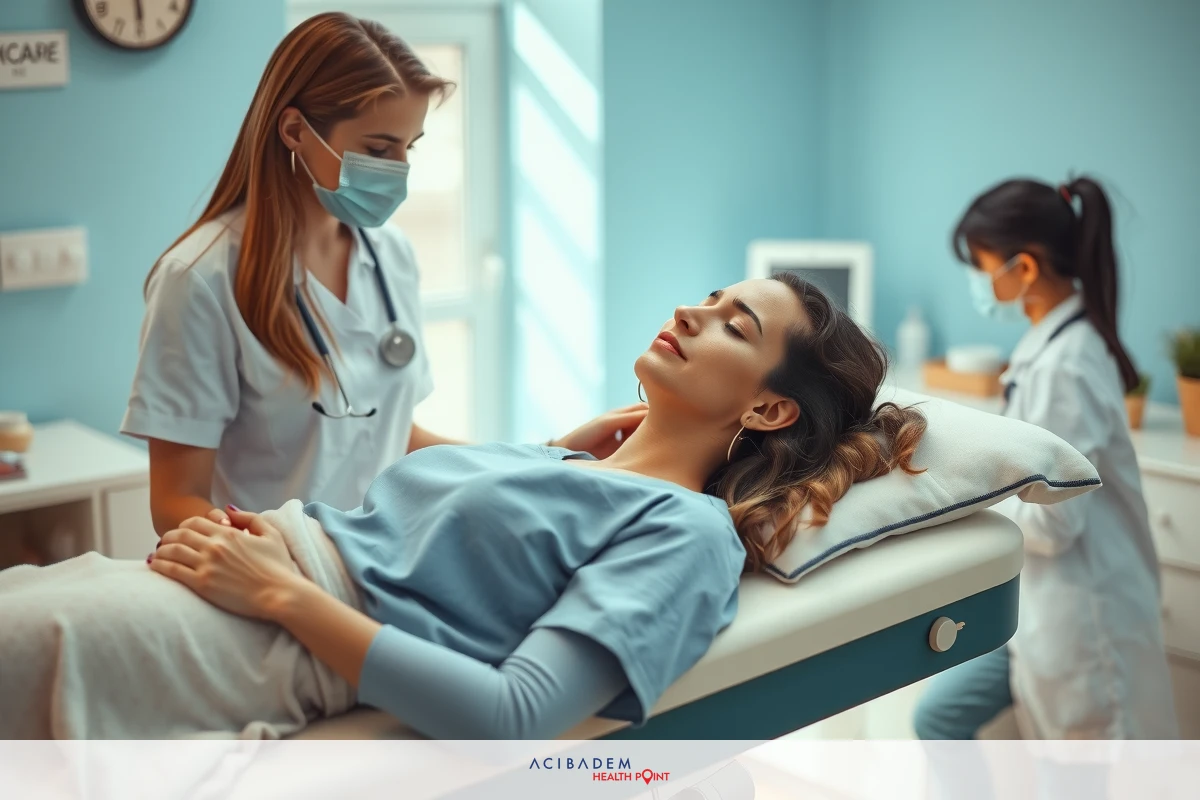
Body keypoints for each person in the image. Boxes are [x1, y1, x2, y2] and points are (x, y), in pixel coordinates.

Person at [0, 276, 925, 739]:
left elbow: (516, 714)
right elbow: (472, 538)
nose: (692, 313)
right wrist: (553, 454)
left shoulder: (686, 534)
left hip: (249, 632)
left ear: (767, 408)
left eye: (735, 326)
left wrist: (278, 595)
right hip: (199, 583)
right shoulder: (576, 459)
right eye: (712, 298)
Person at [120, 12, 643, 535]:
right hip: (275, 573)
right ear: (296, 130)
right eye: (378, 148)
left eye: (407, 146)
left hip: (384, 559)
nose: (399, 169)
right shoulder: (200, 280)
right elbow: (175, 502)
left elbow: (395, 438)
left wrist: (549, 453)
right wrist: (286, 563)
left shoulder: (390, 255)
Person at [914, 176, 1178, 748]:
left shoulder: (1067, 366)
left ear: (1024, 270)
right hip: (1038, 611)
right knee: (936, 715)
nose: (979, 283)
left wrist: (970, 506)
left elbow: (1057, 522)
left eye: (982, 267)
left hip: (1085, 618)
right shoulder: (1052, 346)